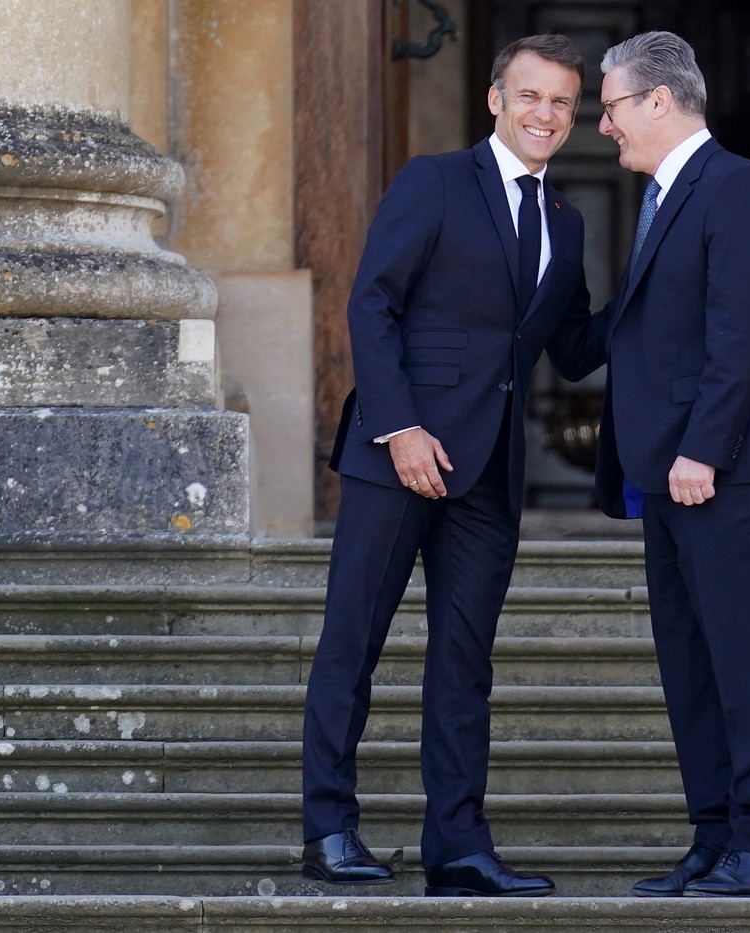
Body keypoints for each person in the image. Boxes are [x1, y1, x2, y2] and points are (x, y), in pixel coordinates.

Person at [301, 34, 601, 898]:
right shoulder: (433, 181)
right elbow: (374, 302)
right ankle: (329, 828)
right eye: (531, 97)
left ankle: (458, 845)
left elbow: (573, 346)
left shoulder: (569, 222)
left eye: (563, 103)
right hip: (397, 455)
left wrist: (658, 290)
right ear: (496, 100)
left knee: (465, 662)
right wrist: (399, 428)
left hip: (488, 472)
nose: (547, 115)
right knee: (351, 644)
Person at [591, 31, 750, 898]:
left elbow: (742, 335)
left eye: (608, 107)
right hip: (670, 472)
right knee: (688, 660)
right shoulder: (662, 198)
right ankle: (714, 833)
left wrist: (701, 449)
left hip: (726, 468)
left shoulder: (739, 187)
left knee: (739, 654)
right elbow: (641, 328)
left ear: (657, 100)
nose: (601, 126)